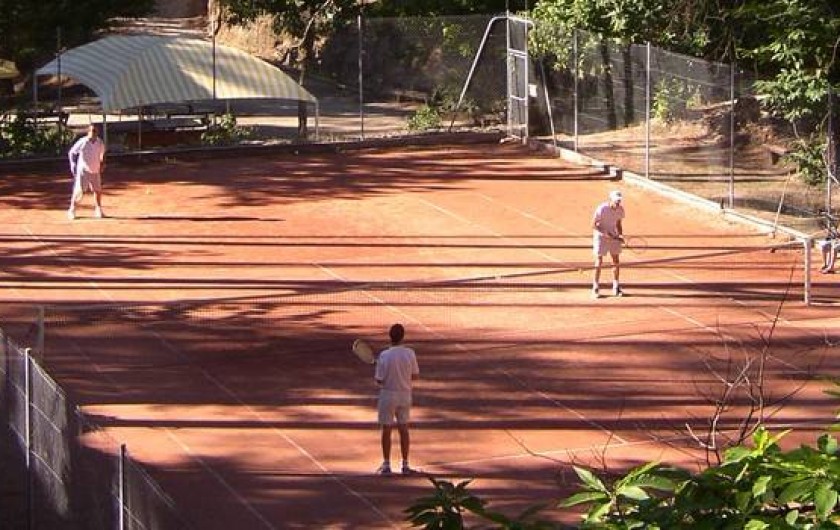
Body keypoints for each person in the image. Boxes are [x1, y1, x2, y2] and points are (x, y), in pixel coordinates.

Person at [374, 323, 420, 475]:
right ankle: (405, 465)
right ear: (403, 336)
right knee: (404, 429)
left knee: (386, 430)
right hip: (405, 395)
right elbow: (415, 375)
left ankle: (386, 465)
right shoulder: (410, 353)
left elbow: (379, 380)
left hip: (388, 395)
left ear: (390, 336)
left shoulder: (384, 356)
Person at [67, 123, 106, 220]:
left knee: (97, 191)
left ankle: (98, 209)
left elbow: (102, 154)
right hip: (83, 171)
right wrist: (73, 164)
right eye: (92, 131)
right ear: (88, 132)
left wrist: (102, 164)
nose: (93, 133)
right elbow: (72, 152)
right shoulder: (83, 142)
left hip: (95, 170)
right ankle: (72, 209)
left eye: (95, 131)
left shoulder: (100, 142)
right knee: (79, 191)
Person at [592, 190, 625, 298]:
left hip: (613, 237)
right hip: (601, 237)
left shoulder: (620, 210)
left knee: (616, 261)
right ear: (610, 199)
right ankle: (595, 287)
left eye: (619, 201)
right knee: (599, 260)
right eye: (616, 201)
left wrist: (620, 235)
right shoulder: (602, 209)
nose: (618, 203)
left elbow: (618, 224)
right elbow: (593, 225)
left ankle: (616, 286)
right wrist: (605, 234)